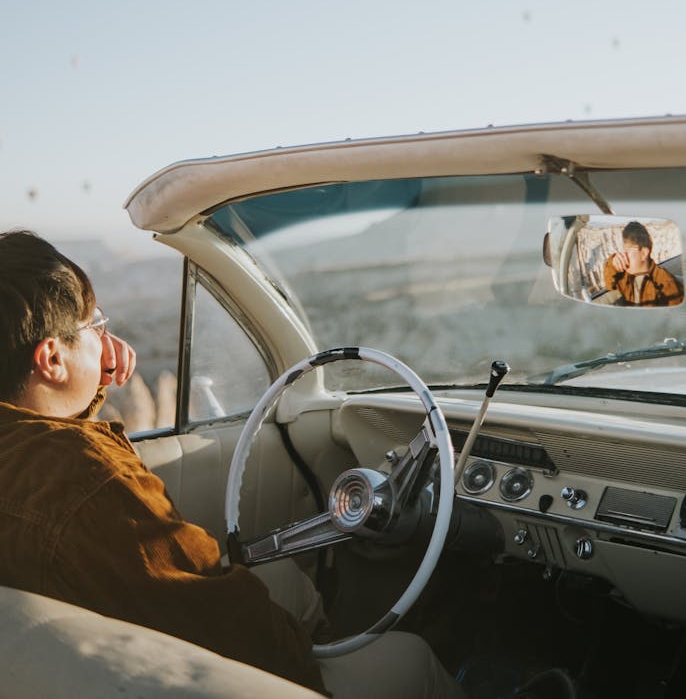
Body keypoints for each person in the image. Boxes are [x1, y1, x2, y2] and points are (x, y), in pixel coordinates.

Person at [0, 230, 464, 699]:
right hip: (191, 672)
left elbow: (41, 433)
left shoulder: (27, 452)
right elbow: (230, 628)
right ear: (52, 358)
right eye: (93, 326)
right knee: (412, 659)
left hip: (68, 662)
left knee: (284, 579)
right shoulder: (90, 477)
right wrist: (299, 659)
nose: (104, 339)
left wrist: (86, 376)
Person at [602, 221, 684, 307]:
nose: (624, 256)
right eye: (623, 251)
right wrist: (613, 263)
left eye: (628, 251)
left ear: (644, 253)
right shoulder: (625, 277)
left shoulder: (667, 284)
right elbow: (610, 285)